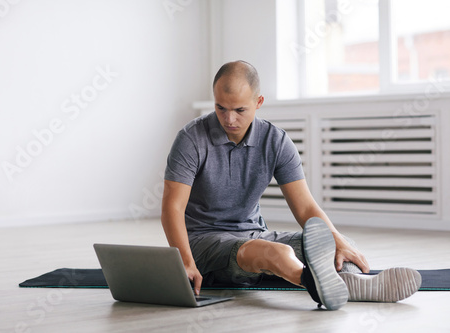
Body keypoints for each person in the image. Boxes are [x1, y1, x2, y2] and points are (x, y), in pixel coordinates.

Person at [161, 60, 421, 310]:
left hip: (254, 234)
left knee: (336, 243)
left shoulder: (275, 141)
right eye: (221, 108)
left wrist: (338, 241)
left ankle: (356, 285)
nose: (229, 119)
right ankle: (314, 284)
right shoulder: (191, 139)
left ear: (258, 102)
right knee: (273, 252)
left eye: (239, 110)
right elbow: (172, 207)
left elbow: (306, 208)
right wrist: (185, 261)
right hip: (202, 242)